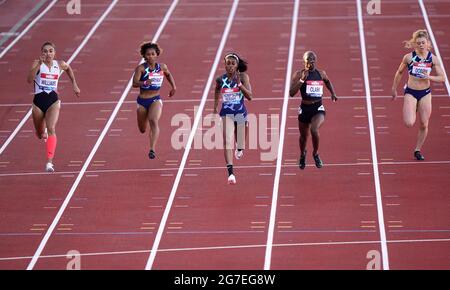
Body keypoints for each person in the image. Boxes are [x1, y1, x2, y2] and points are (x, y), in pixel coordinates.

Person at [27, 42, 80, 172]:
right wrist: (38, 65)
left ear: (54, 53)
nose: (48, 54)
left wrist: (74, 84)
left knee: (51, 128)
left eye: (50, 51)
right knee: (40, 134)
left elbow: (68, 68)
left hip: (53, 101)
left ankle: (49, 162)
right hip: (38, 102)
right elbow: (29, 80)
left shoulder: (59, 64)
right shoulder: (37, 63)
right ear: (42, 53)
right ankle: (41, 132)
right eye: (45, 51)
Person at [392, 29, 445, 160]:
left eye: (423, 42)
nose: (421, 45)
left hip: (425, 93)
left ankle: (417, 150)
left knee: (424, 124)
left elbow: (442, 78)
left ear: (428, 43)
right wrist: (394, 88)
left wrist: (429, 77)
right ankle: (413, 106)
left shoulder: (433, 59)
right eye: (418, 43)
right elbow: (399, 72)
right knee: (409, 123)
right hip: (411, 91)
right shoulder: (409, 57)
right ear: (415, 44)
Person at [289, 51, 337, 170]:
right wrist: (301, 80)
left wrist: (333, 93)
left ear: (315, 61)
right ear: (304, 62)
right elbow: (291, 93)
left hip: (318, 108)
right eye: (308, 60)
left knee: (314, 129)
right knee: (303, 137)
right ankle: (302, 155)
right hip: (304, 108)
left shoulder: (321, 74)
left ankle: (315, 154)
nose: (310, 62)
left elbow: (327, 81)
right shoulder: (298, 74)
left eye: (312, 60)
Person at [132, 42, 176, 159]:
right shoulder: (141, 69)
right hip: (142, 101)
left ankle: (152, 149)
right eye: (148, 54)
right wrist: (145, 82)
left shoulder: (162, 67)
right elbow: (134, 83)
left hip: (155, 99)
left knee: (153, 120)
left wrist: (173, 87)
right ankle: (146, 124)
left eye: (153, 54)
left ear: (157, 54)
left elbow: (168, 74)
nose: (150, 56)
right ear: (144, 56)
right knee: (142, 129)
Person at [214, 52, 252, 184]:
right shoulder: (220, 79)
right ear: (225, 65)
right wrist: (214, 107)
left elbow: (250, 97)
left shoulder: (243, 77)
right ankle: (230, 173)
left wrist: (239, 85)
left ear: (236, 66)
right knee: (227, 141)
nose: (230, 66)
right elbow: (216, 90)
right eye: (228, 63)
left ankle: (240, 148)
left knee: (240, 142)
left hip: (240, 113)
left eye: (233, 64)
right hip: (226, 114)